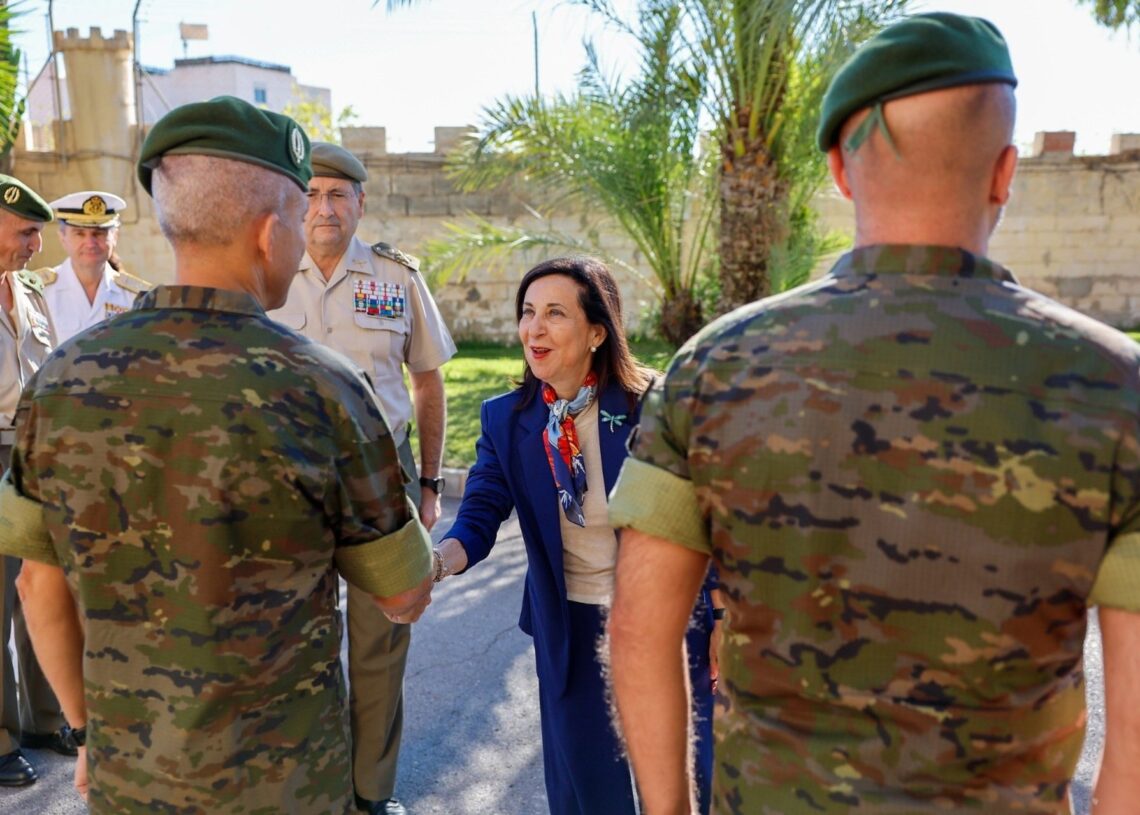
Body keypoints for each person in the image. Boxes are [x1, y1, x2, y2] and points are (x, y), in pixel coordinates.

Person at [607, 12, 1140, 815]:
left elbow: (641, 636)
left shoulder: (714, 368)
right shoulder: (1116, 389)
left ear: (839, 170)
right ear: (1004, 172)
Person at [0, 95, 435, 813]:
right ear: (269, 233)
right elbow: (402, 590)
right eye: (300, 217)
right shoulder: (326, 388)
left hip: (129, 781)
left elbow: (36, 590)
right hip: (289, 786)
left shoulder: (62, 382)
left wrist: (87, 734)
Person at [432, 256, 717, 815]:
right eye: (527, 312)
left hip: (667, 619)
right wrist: (439, 561)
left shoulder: (654, 407)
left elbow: (712, 515)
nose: (533, 329)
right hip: (571, 622)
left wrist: (726, 619)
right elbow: (483, 508)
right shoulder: (507, 420)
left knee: (693, 783)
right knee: (589, 793)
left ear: (596, 332)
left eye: (555, 313)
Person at [268, 141, 456, 815]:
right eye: (311, 193)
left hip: (383, 475)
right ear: (295, 200)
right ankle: (312, 785)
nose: (323, 207)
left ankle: (370, 793)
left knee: (382, 635)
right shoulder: (267, 270)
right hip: (290, 480)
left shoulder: (396, 276)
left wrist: (429, 484)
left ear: (360, 203)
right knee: (297, 635)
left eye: (337, 194)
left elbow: (428, 382)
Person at [0, 174, 73, 788]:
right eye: (26, 232)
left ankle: (45, 719)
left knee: (40, 585)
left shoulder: (27, 290)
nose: (36, 246)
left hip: (33, 454)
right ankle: (1, 738)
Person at [41, 190, 151, 342]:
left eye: (99, 233)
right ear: (62, 237)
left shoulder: (137, 297)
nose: (90, 243)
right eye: (79, 233)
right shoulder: (39, 293)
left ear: (115, 236)